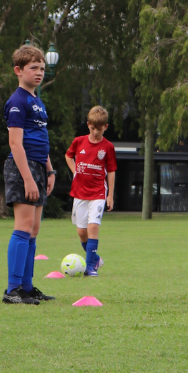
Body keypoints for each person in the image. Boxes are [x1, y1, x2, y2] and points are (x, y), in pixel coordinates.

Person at [2, 45, 57, 305]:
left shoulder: (37, 101)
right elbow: (16, 144)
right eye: (33, 68)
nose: (39, 72)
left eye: (42, 68)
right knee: (23, 227)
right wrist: (27, 178)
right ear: (18, 70)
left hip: (37, 166)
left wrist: (49, 169)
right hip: (21, 167)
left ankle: (26, 287)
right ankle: (12, 290)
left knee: (33, 229)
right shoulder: (18, 101)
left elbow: (40, 140)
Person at [65, 106, 117, 276]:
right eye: (93, 128)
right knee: (81, 232)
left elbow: (111, 171)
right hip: (80, 193)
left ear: (105, 128)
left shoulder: (108, 147)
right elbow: (68, 155)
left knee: (93, 227)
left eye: (99, 129)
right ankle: (95, 258)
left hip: (98, 193)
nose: (95, 132)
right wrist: (75, 171)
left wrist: (110, 195)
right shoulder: (79, 142)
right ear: (88, 125)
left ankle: (90, 267)